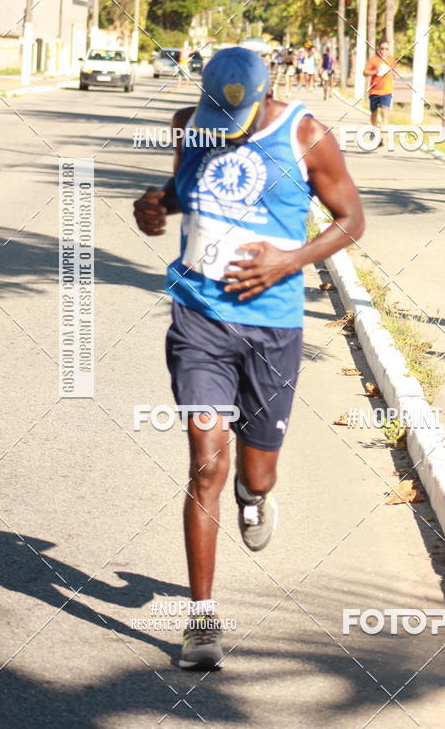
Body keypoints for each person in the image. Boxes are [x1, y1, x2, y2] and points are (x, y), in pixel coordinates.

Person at [133, 46, 364, 671]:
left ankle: (254, 492)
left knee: (254, 474)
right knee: (205, 460)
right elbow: (185, 191)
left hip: (273, 330)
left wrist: (288, 261)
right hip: (198, 317)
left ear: (267, 95)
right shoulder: (191, 123)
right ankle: (202, 619)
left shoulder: (308, 135)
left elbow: (351, 219)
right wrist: (156, 205)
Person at [363, 41, 396, 128]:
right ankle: (374, 128)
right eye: (382, 48)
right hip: (374, 91)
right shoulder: (373, 60)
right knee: (374, 113)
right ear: (378, 49)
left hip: (387, 91)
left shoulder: (392, 60)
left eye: (386, 49)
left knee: (384, 114)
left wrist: (394, 75)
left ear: (388, 50)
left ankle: (382, 136)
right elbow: (365, 72)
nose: (384, 50)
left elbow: (394, 72)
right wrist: (375, 72)